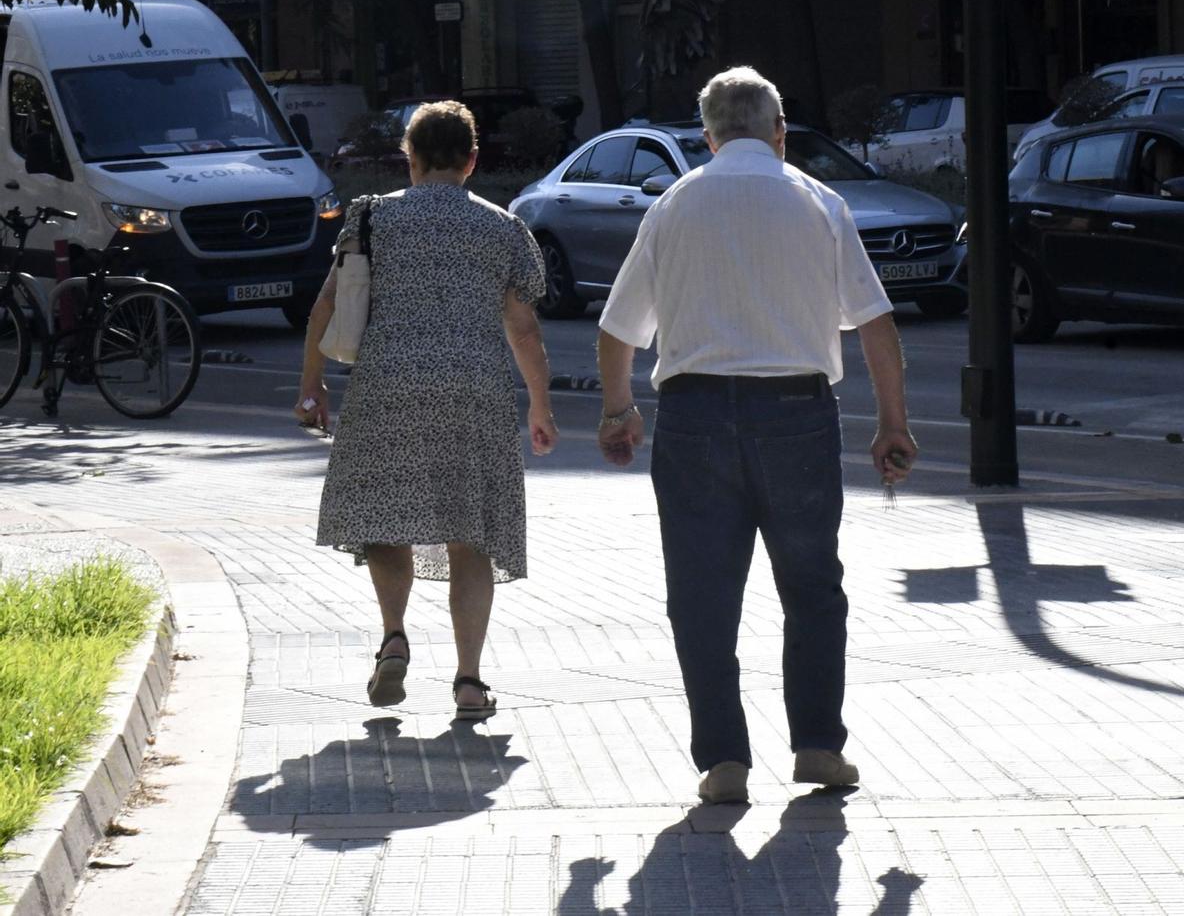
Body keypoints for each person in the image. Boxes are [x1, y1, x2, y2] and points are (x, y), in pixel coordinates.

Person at [595, 67, 917, 803]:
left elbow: (617, 330)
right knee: (811, 586)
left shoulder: (673, 206)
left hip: (694, 417)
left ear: (707, 136)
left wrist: (618, 412)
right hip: (797, 417)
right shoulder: (819, 202)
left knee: (702, 594)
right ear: (779, 132)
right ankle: (817, 745)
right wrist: (891, 424)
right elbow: (876, 324)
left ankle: (723, 760)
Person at [296, 101, 558, 719]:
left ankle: (393, 637)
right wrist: (540, 406)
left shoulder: (371, 218)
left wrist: (313, 385)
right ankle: (469, 681)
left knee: (387, 520)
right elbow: (524, 329)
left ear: (409, 161)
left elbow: (327, 305)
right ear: (472, 161)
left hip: (386, 387)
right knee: (472, 537)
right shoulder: (503, 228)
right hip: (476, 394)